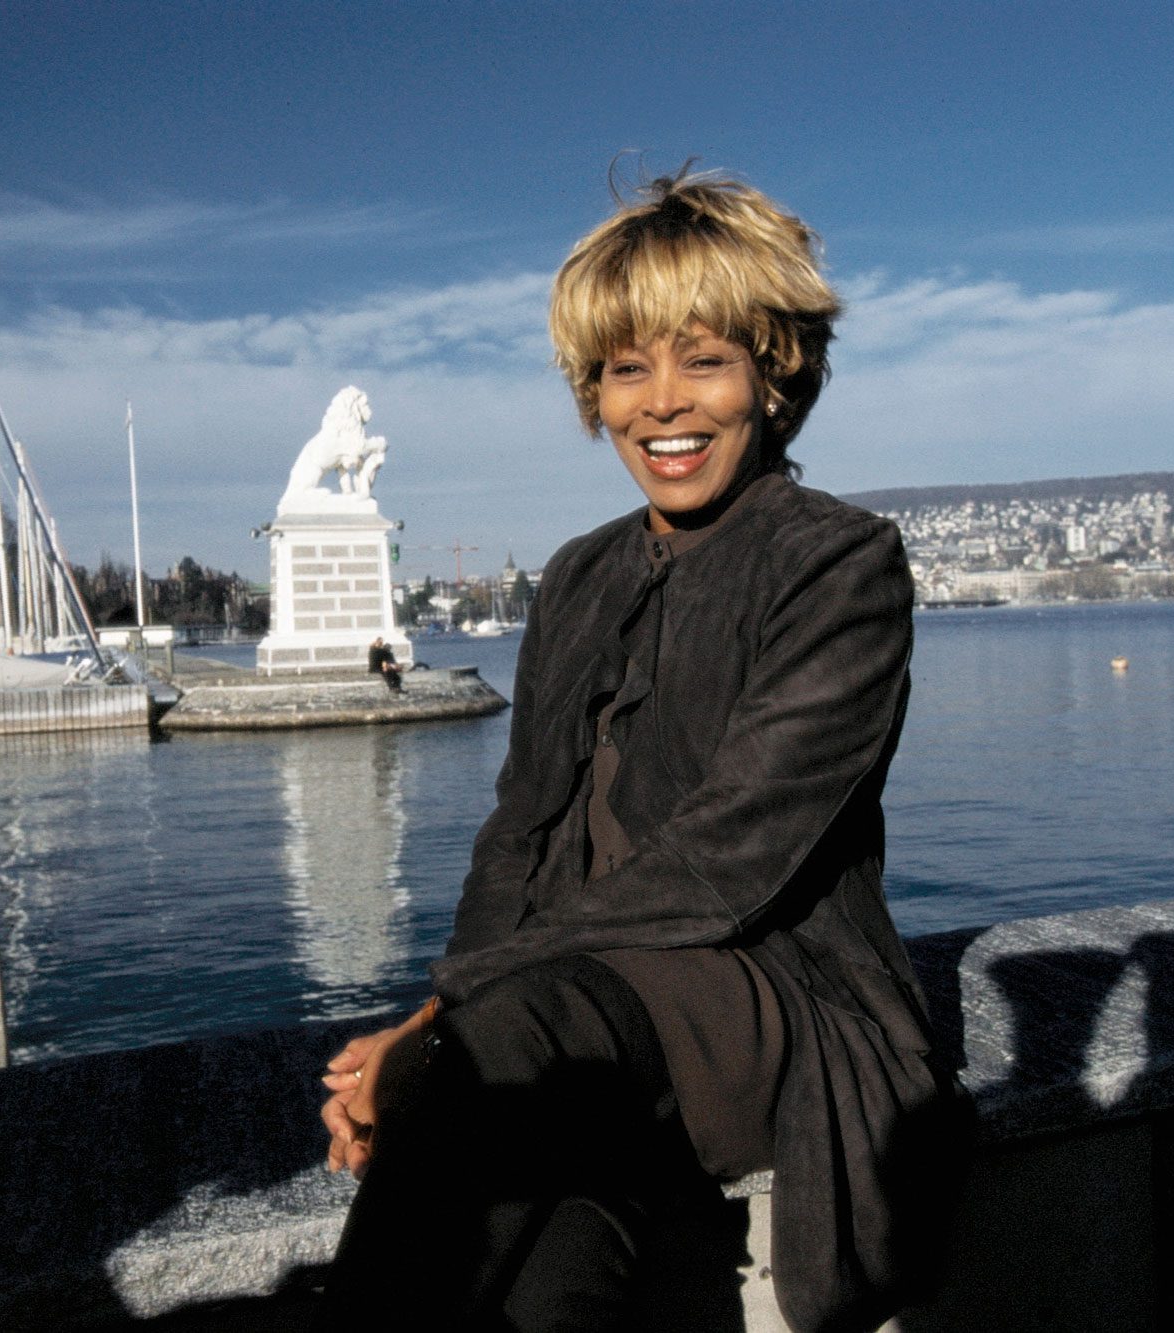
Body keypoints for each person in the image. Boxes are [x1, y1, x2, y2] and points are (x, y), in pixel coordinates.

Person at [319, 170, 957, 1333]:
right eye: (626, 369)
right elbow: (517, 831)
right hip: (579, 1018)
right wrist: (449, 1017)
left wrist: (440, 1026)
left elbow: (727, 861)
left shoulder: (838, 562)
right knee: (541, 1232)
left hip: (770, 994)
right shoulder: (576, 573)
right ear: (592, 392)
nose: (663, 404)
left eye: (704, 359)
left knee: (513, 1052)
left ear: (775, 374)